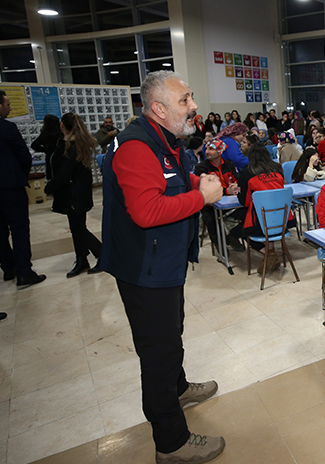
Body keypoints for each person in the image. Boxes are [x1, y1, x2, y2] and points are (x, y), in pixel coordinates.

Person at [100, 71, 224, 463]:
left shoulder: (163, 140)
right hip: (145, 271)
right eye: (185, 100)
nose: (194, 106)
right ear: (158, 108)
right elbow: (146, 210)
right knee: (158, 353)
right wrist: (202, 198)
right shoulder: (136, 147)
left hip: (164, 266)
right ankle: (171, 443)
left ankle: (180, 387)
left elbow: (170, 179)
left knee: (172, 335)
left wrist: (197, 181)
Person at [44, 113, 103, 277]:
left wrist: (49, 187)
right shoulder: (74, 144)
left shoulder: (71, 147)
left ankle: (102, 254)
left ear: (63, 126)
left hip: (73, 195)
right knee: (76, 228)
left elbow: (64, 173)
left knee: (79, 229)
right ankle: (82, 259)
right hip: (76, 194)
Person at [0, 90, 46, 288]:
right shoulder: (7, 128)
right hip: (10, 185)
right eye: (7, 104)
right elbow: (24, 156)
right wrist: (20, 175)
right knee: (19, 228)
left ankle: (8, 268)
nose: (9, 108)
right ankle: (24, 271)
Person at [237, 143, 293, 275]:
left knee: (243, 230)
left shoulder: (247, 172)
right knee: (269, 217)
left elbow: (244, 201)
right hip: (283, 220)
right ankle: (271, 253)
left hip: (260, 222)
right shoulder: (278, 169)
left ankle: (270, 254)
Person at [194, 139, 244, 253]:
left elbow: (238, 179)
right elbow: (205, 189)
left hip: (230, 203)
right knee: (210, 219)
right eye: (206, 148)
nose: (207, 151)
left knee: (249, 212)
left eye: (211, 149)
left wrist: (236, 186)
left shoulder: (229, 164)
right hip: (210, 204)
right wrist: (227, 191)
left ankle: (233, 235)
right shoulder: (201, 168)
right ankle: (219, 244)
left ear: (220, 151)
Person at [31, 114, 63, 180]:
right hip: (60, 159)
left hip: (49, 159)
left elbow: (34, 145)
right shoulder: (60, 134)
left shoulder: (44, 134)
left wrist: (45, 150)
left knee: (52, 179)